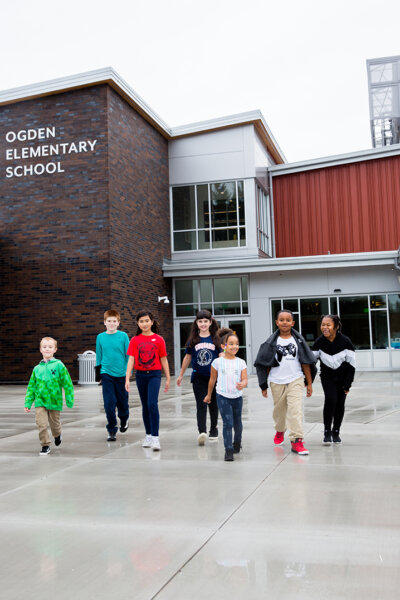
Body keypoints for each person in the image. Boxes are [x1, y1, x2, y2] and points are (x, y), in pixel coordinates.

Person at [254, 309, 317, 455]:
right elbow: (265, 363)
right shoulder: (271, 342)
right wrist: (263, 385)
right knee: (279, 412)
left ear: (293, 323)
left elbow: (306, 362)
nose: (285, 322)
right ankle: (280, 430)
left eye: (288, 320)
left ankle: (297, 441)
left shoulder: (298, 341)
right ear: (277, 322)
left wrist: (309, 383)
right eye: (281, 320)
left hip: (296, 378)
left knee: (295, 411)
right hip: (276, 381)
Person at [125, 310, 170, 451]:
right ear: (138, 323)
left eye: (146, 321)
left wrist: (168, 378)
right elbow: (131, 359)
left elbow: (163, 359)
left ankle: (156, 438)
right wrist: (127, 378)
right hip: (140, 375)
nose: (144, 324)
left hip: (154, 375)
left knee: (152, 404)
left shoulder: (159, 339)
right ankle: (148, 435)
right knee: (145, 405)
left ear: (152, 322)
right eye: (141, 321)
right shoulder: (135, 340)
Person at [24, 337, 74, 456]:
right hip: (40, 401)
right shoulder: (37, 369)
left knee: (54, 424)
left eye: (50, 347)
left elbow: (67, 383)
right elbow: (31, 387)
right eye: (44, 347)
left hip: (55, 401)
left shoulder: (59, 365)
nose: (47, 349)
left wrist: (69, 399)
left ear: (55, 349)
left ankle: (57, 435)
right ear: (40, 349)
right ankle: (45, 445)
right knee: (41, 424)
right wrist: (28, 403)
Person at [177, 309, 220, 445]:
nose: (203, 324)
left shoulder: (216, 339)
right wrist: (181, 374)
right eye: (200, 321)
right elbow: (187, 357)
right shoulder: (193, 340)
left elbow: (221, 357)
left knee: (213, 404)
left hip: (214, 377)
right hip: (198, 377)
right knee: (201, 404)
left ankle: (214, 429)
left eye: (205, 321)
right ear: (196, 323)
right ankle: (202, 431)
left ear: (210, 322)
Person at [204, 330, 247, 461]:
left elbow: (244, 379)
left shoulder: (241, 362)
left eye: (237, 344)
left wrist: (242, 384)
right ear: (224, 346)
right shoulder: (217, 362)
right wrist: (209, 395)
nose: (234, 346)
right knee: (227, 423)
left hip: (237, 397)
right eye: (231, 344)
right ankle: (228, 450)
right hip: (222, 396)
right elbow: (212, 380)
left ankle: (237, 442)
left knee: (237, 423)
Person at [312, 314, 355, 445]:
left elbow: (351, 364)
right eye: (323, 325)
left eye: (328, 325)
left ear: (336, 326)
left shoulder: (345, 341)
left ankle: (336, 431)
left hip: (343, 379)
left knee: (340, 404)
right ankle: (327, 431)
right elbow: (311, 364)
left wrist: (348, 384)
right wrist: (308, 381)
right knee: (331, 400)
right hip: (327, 378)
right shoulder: (319, 342)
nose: (324, 327)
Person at [96, 309, 130, 442]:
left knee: (122, 403)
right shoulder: (100, 337)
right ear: (104, 322)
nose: (111, 323)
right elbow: (99, 356)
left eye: (114, 321)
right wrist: (98, 375)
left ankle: (124, 419)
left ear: (118, 323)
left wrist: (128, 374)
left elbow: (128, 356)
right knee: (109, 404)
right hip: (106, 374)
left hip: (121, 375)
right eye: (109, 321)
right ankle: (111, 429)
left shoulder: (123, 336)